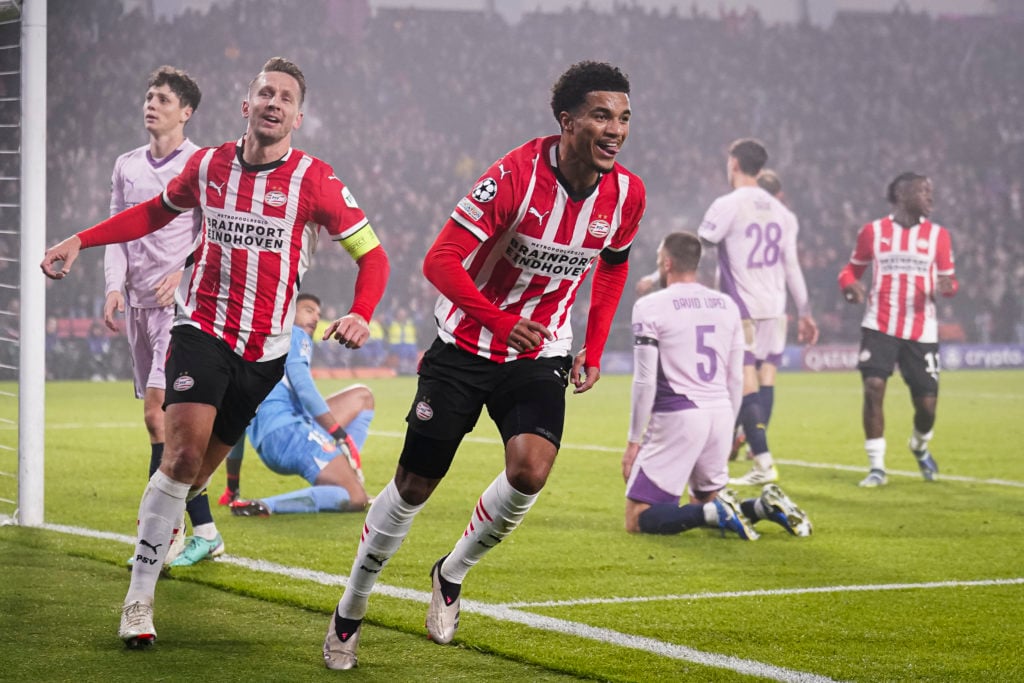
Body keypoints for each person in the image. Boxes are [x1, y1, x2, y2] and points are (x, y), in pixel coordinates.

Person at [41, 56, 390, 650]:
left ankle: (180, 523)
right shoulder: (208, 167)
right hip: (201, 332)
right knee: (179, 459)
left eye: (285, 97)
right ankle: (138, 600)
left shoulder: (316, 181)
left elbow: (373, 256)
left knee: (196, 478)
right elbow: (152, 213)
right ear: (245, 105)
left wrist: (361, 311)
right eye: (265, 93)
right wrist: (81, 238)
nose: (274, 103)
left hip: (266, 355)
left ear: (298, 116)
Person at [322, 60, 646, 670]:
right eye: (602, 115)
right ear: (567, 120)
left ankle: (451, 572)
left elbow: (614, 265)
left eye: (624, 118)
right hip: (466, 347)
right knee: (415, 485)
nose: (615, 129)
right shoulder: (515, 177)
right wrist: (498, 320)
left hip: (539, 353)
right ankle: (351, 607)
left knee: (530, 471)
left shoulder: (627, 193)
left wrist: (595, 345)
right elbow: (440, 260)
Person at [102, 66, 223, 568]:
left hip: (180, 311)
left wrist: (185, 270)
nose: (152, 105)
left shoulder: (199, 164)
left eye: (163, 100)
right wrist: (113, 286)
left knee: (159, 416)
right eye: (149, 96)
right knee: (164, 427)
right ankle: (208, 531)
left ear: (186, 112)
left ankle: (163, 533)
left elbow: (213, 231)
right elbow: (116, 231)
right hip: (136, 306)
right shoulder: (126, 166)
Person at [623, 232, 811, 540]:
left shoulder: (651, 306)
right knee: (706, 500)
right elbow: (736, 377)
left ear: (667, 263)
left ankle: (718, 513)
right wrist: (728, 427)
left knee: (638, 516)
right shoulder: (726, 305)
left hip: (678, 414)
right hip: (721, 411)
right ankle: (763, 507)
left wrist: (633, 441)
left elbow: (644, 379)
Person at [697, 139, 819, 486]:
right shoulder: (783, 213)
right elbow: (792, 267)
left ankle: (762, 461)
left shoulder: (727, 204)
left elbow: (700, 245)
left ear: (733, 163)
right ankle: (745, 449)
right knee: (764, 378)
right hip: (775, 309)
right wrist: (805, 312)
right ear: (762, 169)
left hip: (743, 309)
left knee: (743, 381)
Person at [838, 172, 957, 487]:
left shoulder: (939, 236)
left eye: (931, 191)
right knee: (873, 387)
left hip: (922, 331)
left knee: (926, 408)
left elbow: (950, 281)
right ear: (903, 194)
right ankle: (877, 467)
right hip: (880, 324)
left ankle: (919, 445)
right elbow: (851, 270)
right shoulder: (873, 232)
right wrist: (850, 286)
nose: (930, 197)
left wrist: (947, 287)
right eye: (923, 191)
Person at [224, 292, 374, 516]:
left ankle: (343, 469)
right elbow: (304, 388)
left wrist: (232, 486)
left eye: (318, 313)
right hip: (290, 433)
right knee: (356, 498)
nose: (315, 317)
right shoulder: (295, 334)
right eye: (308, 310)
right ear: (289, 312)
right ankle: (266, 505)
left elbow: (235, 418)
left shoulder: (251, 347)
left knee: (363, 396)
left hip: (271, 440)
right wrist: (341, 436)